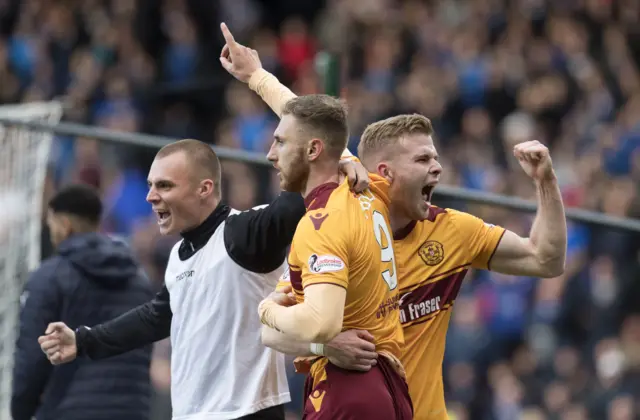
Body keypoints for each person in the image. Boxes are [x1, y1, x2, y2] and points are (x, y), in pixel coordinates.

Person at [223, 29, 567, 419]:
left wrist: (546, 182)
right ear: (385, 172)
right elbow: (306, 124)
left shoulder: (453, 231)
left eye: (435, 157)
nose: (437, 167)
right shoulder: (346, 216)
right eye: (422, 160)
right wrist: (326, 345)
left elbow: (546, 259)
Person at [38, 138, 367, 420]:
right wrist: (83, 340)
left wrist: (336, 162)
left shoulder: (244, 233)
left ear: (204, 189)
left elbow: (297, 199)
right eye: (151, 185)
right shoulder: (179, 254)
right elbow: (156, 317)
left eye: (165, 185)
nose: (151, 196)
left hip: (246, 411)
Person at [219, 24, 412, 420]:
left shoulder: (321, 225)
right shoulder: (362, 184)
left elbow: (316, 323)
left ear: (312, 150)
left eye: (279, 143)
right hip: (386, 387)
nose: (270, 154)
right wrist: (257, 77)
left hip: (349, 391)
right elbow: (310, 123)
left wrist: (266, 309)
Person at [12, 184, 153, 420]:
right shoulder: (139, 279)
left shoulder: (49, 277)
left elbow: (31, 358)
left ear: (64, 225)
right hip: (132, 411)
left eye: (52, 224)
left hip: (69, 411)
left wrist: (20, 413)